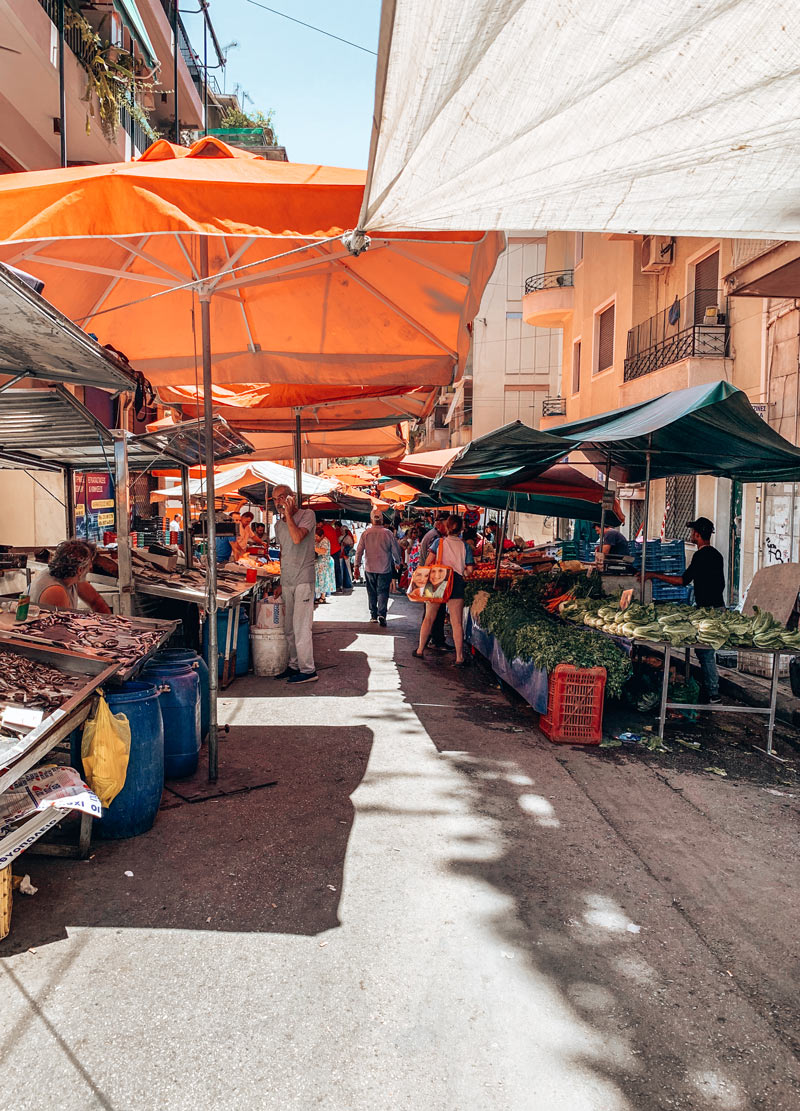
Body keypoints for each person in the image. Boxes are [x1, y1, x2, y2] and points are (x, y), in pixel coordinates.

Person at [640, 516, 725, 703]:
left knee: (706, 651)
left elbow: (683, 580)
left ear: (696, 534)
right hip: (717, 607)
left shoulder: (700, 555)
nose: (691, 535)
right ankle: (710, 689)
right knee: (705, 651)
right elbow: (720, 584)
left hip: (708, 611)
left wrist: (654, 575)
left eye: (692, 532)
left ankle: (713, 693)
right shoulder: (717, 555)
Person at [271, 485, 318, 684]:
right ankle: (294, 665)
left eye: (282, 497)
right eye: (275, 499)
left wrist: (288, 514)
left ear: (292, 498)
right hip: (288, 579)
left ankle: (308, 670)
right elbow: (283, 552)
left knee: (301, 627)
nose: (279, 501)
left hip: (303, 579)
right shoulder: (277, 525)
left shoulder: (308, 514)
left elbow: (297, 538)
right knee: (289, 627)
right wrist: (281, 581)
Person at [414, 514, 474, 666]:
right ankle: (459, 657)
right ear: (461, 529)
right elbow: (469, 570)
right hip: (457, 582)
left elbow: (428, 562)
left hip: (437, 579)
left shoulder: (438, 543)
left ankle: (420, 649)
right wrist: (462, 571)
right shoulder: (465, 546)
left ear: (447, 527)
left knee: (429, 617)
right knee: (456, 622)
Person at [29, 539, 111, 614]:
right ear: (80, 570)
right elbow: (61, 628)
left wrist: (109, 624)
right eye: (90, 563)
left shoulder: (72, 578)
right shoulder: (55, 591)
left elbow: (95, 601)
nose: (90, 567)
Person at [354, 509, 402, 626]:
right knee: (383, 592)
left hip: (370, 568)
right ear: (382, 519)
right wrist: (398, 562)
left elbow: (359, 551)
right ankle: (382, 614)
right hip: (384, 568)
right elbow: (395, 550)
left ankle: (373, 615)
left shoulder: (366, 533)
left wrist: (356, 566)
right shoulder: (388, 533)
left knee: (371, 592)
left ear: (371, 519)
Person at [418, 515, 451, 650]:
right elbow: (430, 560)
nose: (448, 528)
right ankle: (435, 640)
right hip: (435, 578)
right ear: (439, 524)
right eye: (446, 524)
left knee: (430, 614)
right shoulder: (436, 538)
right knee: (433, 614)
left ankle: (426, 641)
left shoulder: (433, 535)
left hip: (433, 577)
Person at [314, 522, 336, 604]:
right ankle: (320, 596)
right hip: (319, 563)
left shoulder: (325, 541)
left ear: (322, 536)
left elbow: (323, 551)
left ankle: (322, 597)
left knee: (323, 580)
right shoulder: (318, 541)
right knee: (320, 580)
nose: (315, 538)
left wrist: (314, 548)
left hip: (324, 564)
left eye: (316, 537)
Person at [320, 519, 343, 593]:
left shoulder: (323, 529)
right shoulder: (329, 527)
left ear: (320, 523)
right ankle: (339, 586)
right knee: (337, 568)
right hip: (336, 549)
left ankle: (337, 586)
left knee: (334, 569)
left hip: (333, 550)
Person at [334, 522, 354, 590]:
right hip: (341, 555)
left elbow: (351, 545)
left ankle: (348, 583)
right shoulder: (340, 537)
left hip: (345, 555)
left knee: (347, 569)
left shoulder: (347, 537)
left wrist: (346, 545)